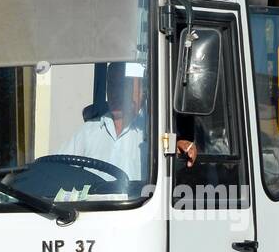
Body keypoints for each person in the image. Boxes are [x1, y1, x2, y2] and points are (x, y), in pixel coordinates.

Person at [58, 61, 194, 180]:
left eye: (123, 85)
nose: (115, 92)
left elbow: (173, 151)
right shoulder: (88, 131)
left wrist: (180, 147)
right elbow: (57, 167)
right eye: (111, 84)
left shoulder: (153, 132)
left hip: (137, 208)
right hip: (92, 208)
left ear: (143, 91)